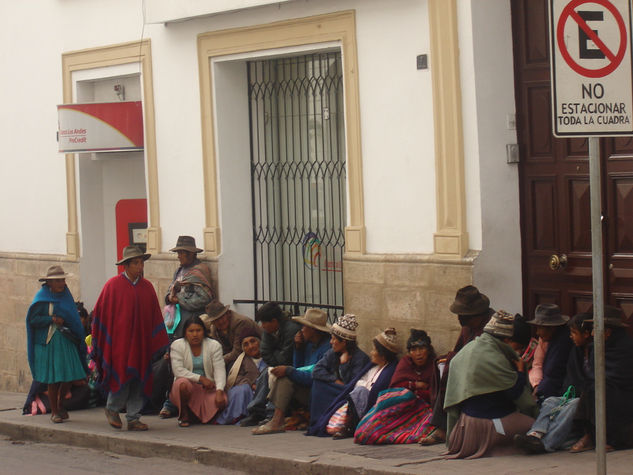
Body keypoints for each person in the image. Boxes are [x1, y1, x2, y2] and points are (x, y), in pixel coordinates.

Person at [91, 245, 169, 431]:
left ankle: (134, 417)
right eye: (135, 263)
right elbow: (100, 313)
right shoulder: (112, 286)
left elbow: (154, 315)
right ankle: (112, 408)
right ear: (125, 265)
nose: (140, 266)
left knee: (139, 379)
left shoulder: (147, 287)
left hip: (141, 342)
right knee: (122, 376)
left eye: (141, 262)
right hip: (120, 343)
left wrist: (157, 340)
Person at [444, 310, 537, 459]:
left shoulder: (466, 350)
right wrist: (520, 372)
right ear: (506, 340)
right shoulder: (496, 359)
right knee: (536, 428)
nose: (518, 352)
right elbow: (522, 400)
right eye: (517, 347)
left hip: (462, 428)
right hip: (488, 427)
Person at [420, 285, 493, 445]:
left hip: (486, 369)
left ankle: (444, 428)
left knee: (453, 372)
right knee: (446, 368)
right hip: (465, 364)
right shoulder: (468, 327)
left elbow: (487, 353)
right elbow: (460, 349)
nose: (461, 319)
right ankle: (442, 426)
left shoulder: (492, 325)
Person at [514, 312, 593, 454]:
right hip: (574, 391)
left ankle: (546, 444)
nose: (571, 336)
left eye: (574, 333)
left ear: (586, 334)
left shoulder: (593, 351)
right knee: (551, 401)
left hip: (588, 396)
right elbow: (571, 377)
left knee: (573, 406)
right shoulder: (576, 350)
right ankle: (535, 433)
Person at [251, 308, 331, 435]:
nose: (302, 330)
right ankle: (272, 416)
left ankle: (276, 420)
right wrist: (298, 348)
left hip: (318, 390)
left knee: (286, 378)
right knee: (279, 375)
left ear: (313, 330)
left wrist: (289, 371)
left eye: (305, 327)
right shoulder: (309, 345)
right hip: (307, 386)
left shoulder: (327, 348)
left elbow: (314, 375)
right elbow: (300, 367)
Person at [308, 327, 399, 438]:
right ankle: (318, 420)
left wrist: (343, 366)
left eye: (374, 350)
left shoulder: (361, 359)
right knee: (319, 384)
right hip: (349, 393)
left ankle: (349, 426)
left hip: (359, 399)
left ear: (383, 356)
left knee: (359, 391)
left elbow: (356, 385)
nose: (371, 353)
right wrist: (335, 379)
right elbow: (317, 371)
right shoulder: (334, 353)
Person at [26, 265, 88, 423]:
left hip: (66, 341)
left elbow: (72, 316)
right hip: (49, 343)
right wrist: (51, 319)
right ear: (49, 283)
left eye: (63, 280)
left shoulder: (66, 296)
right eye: (58, 281)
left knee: (70, 376)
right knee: (54, 379)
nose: (62, 283)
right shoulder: (41, 299)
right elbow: (33, 320)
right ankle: (54, 411)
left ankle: (60, 404)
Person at [354, 329, 438, 445]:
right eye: (414, 350)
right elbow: (394, 389)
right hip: (400, 408)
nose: (418, 353)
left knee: (426, 422)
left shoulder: (434, 366)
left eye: (422, 349)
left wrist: (415, 395)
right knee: (370, 429)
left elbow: (434, 394)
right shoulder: (405, 363)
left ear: (428, 350)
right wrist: (415, 386)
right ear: (409, 352)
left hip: (422, 410)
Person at [569, 305, 633, 453]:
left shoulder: (626, 349)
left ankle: (609, 439)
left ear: (608, 332)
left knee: (601, 389)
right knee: (591, 387)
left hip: (624, 396)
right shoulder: (594, 349)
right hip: (604, 389)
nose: (592, 334)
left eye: (595, 330)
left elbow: (622, 377)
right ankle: (590, 434)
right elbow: (593, 375)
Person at [239, 302, 301, 427]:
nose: (262, 326)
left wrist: (275, 353)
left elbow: (286, 357)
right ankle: (256, 411)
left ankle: (271, 414)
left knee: (276, 376)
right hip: (276, 364)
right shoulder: (268, 332)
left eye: (264, 322)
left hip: (292, 367)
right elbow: (265, 352)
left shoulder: (291, 329)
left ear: (274, 321)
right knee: (265, 374)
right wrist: (276, 354)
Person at [169, 316, 227, 427]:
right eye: (191, 331)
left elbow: (219, 370)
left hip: (208, 388)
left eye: (198, 330)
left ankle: (197, 416)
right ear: (185, 333)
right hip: (188, 386)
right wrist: (200, 378)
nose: (195, 334)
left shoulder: (214, 345)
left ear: (203, 332)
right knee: (182, 384)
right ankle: (184, 415)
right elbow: (178, 370)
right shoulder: (177, 345)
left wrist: (219, 390)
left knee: (223, 399)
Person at [164, 235, 215, 339]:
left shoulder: (199, 271)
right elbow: (170, 289)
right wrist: (169, 297)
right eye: (178, 253)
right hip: (176, 321)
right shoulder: (179, 271)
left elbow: (204, 298)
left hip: (192, 322)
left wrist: (179, 300)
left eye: (181, 253)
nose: (178, 256)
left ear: (191, 254)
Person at [216, 328, 267, 425]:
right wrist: (251, 384)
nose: (251, 346)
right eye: (246, 344)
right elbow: (236, 378)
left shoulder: (269, 356)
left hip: (266, 390)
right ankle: (238, 416)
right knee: (242, 389)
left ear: (259, 342)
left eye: (253, 341)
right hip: (249, 390)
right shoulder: (241, 361)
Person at [527, 303, 573, 402]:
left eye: (540, 328)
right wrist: (536, 385)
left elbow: (553, 374)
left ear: (552, 328)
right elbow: (537, 364)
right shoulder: (544, 339)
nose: (537, 332)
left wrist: (540, 392)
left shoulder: (563, 342)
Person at [202, 301, 261, 369]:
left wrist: (217, 361)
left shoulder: (241, 323)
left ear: (228, 313)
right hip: (235, 358)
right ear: (212, 322)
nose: (220, 322)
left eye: (222, 317)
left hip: (256, 355)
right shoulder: (214, 329)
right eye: (216, 320)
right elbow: (220, 350)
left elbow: (238, 351)